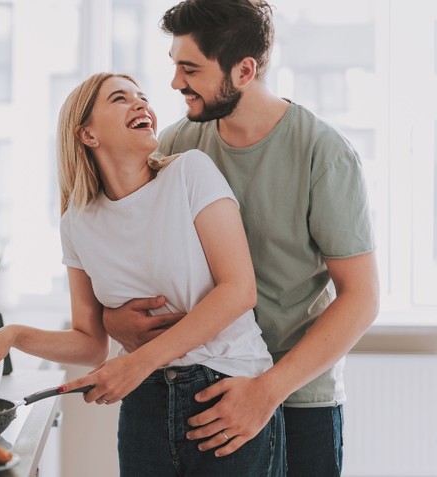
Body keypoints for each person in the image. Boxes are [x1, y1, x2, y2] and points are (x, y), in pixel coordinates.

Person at [0, 72, 285, 476]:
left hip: (226, 390)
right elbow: (90, 343)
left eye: (142, 97)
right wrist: (15, 335)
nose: (141, 104)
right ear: (87, 135)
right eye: (120, 98)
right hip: (144, 406)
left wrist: (136, 363)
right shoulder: (76, 223)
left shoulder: (189, 173)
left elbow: (238, 291)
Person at [101, 1, 380, 476]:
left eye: (190, 69)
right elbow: (129, 245)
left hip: (296, 402)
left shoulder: (323, 154)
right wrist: (113, 318)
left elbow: (362, 298)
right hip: (198, 392)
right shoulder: (175, 146)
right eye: (174, 66)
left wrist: (266, 391)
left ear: (245, 69)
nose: (174, 84)